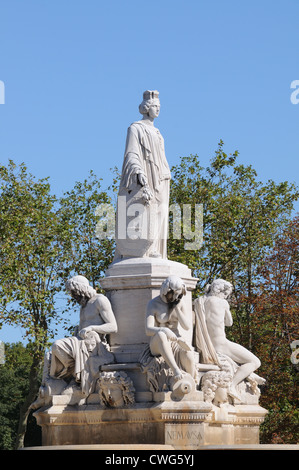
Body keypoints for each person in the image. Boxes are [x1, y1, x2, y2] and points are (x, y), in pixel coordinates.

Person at [115, 90, 171, 259]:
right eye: (155, 106)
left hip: (162, 177)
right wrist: (138, 171)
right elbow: (131, 153)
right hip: (146, 175)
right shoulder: (135, 128)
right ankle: (147, 250)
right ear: (146, 108)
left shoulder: (158, 132)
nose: (158, 109)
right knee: (148, 210)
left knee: (162, 211)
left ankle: (159, 251)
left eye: (159, 106)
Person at [50, 275, 117, 395]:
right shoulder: (84, 305)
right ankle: (73, 376)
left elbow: (113, 326)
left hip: (94, 343)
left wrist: (92, 328)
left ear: (82, 289)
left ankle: (74, 377)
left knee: (57, 345)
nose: (73, 296)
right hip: (80, 341)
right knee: (52, 352)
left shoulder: (100, 300)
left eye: (74, 293)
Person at [198, 279, 264, 400]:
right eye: (227, 294)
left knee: (238, 359)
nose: (227, 296)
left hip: (207, 344)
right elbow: (229, 323)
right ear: (223, 292)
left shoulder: (200, 301)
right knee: (255, 361)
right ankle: (232, 385)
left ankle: (249, 375)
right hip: (221, 344)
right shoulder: (222, 303)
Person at [145, 275, 195, 380]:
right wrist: (164, 329)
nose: (177, 297)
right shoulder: (153, 304)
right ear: (167, 292)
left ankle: (192, 381)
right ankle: (176, 370)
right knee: (161, 334)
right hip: (158, 343)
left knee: (189, 356)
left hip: (176, 340)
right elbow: (148, 330)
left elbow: (186, 326)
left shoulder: (180, 303)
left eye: (179, 295)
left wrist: (177, 308)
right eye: (175, 294)